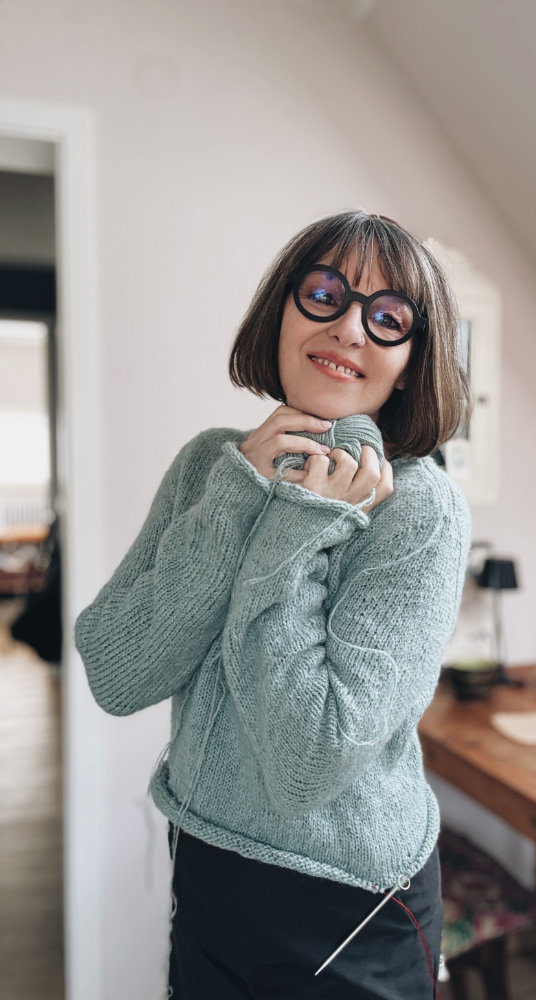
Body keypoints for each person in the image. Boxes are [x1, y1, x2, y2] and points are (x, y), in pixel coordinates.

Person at [74, 209, 472, 1000]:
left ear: (413, 360)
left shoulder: (421, 511)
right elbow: (117, 672)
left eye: (388, 317)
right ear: (282, 310)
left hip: (350, 902)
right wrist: (239, 496)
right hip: (205, 860)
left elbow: (310, 760)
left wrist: (298, 525)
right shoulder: (210, 467)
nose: (350, 327)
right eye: (324, 291)